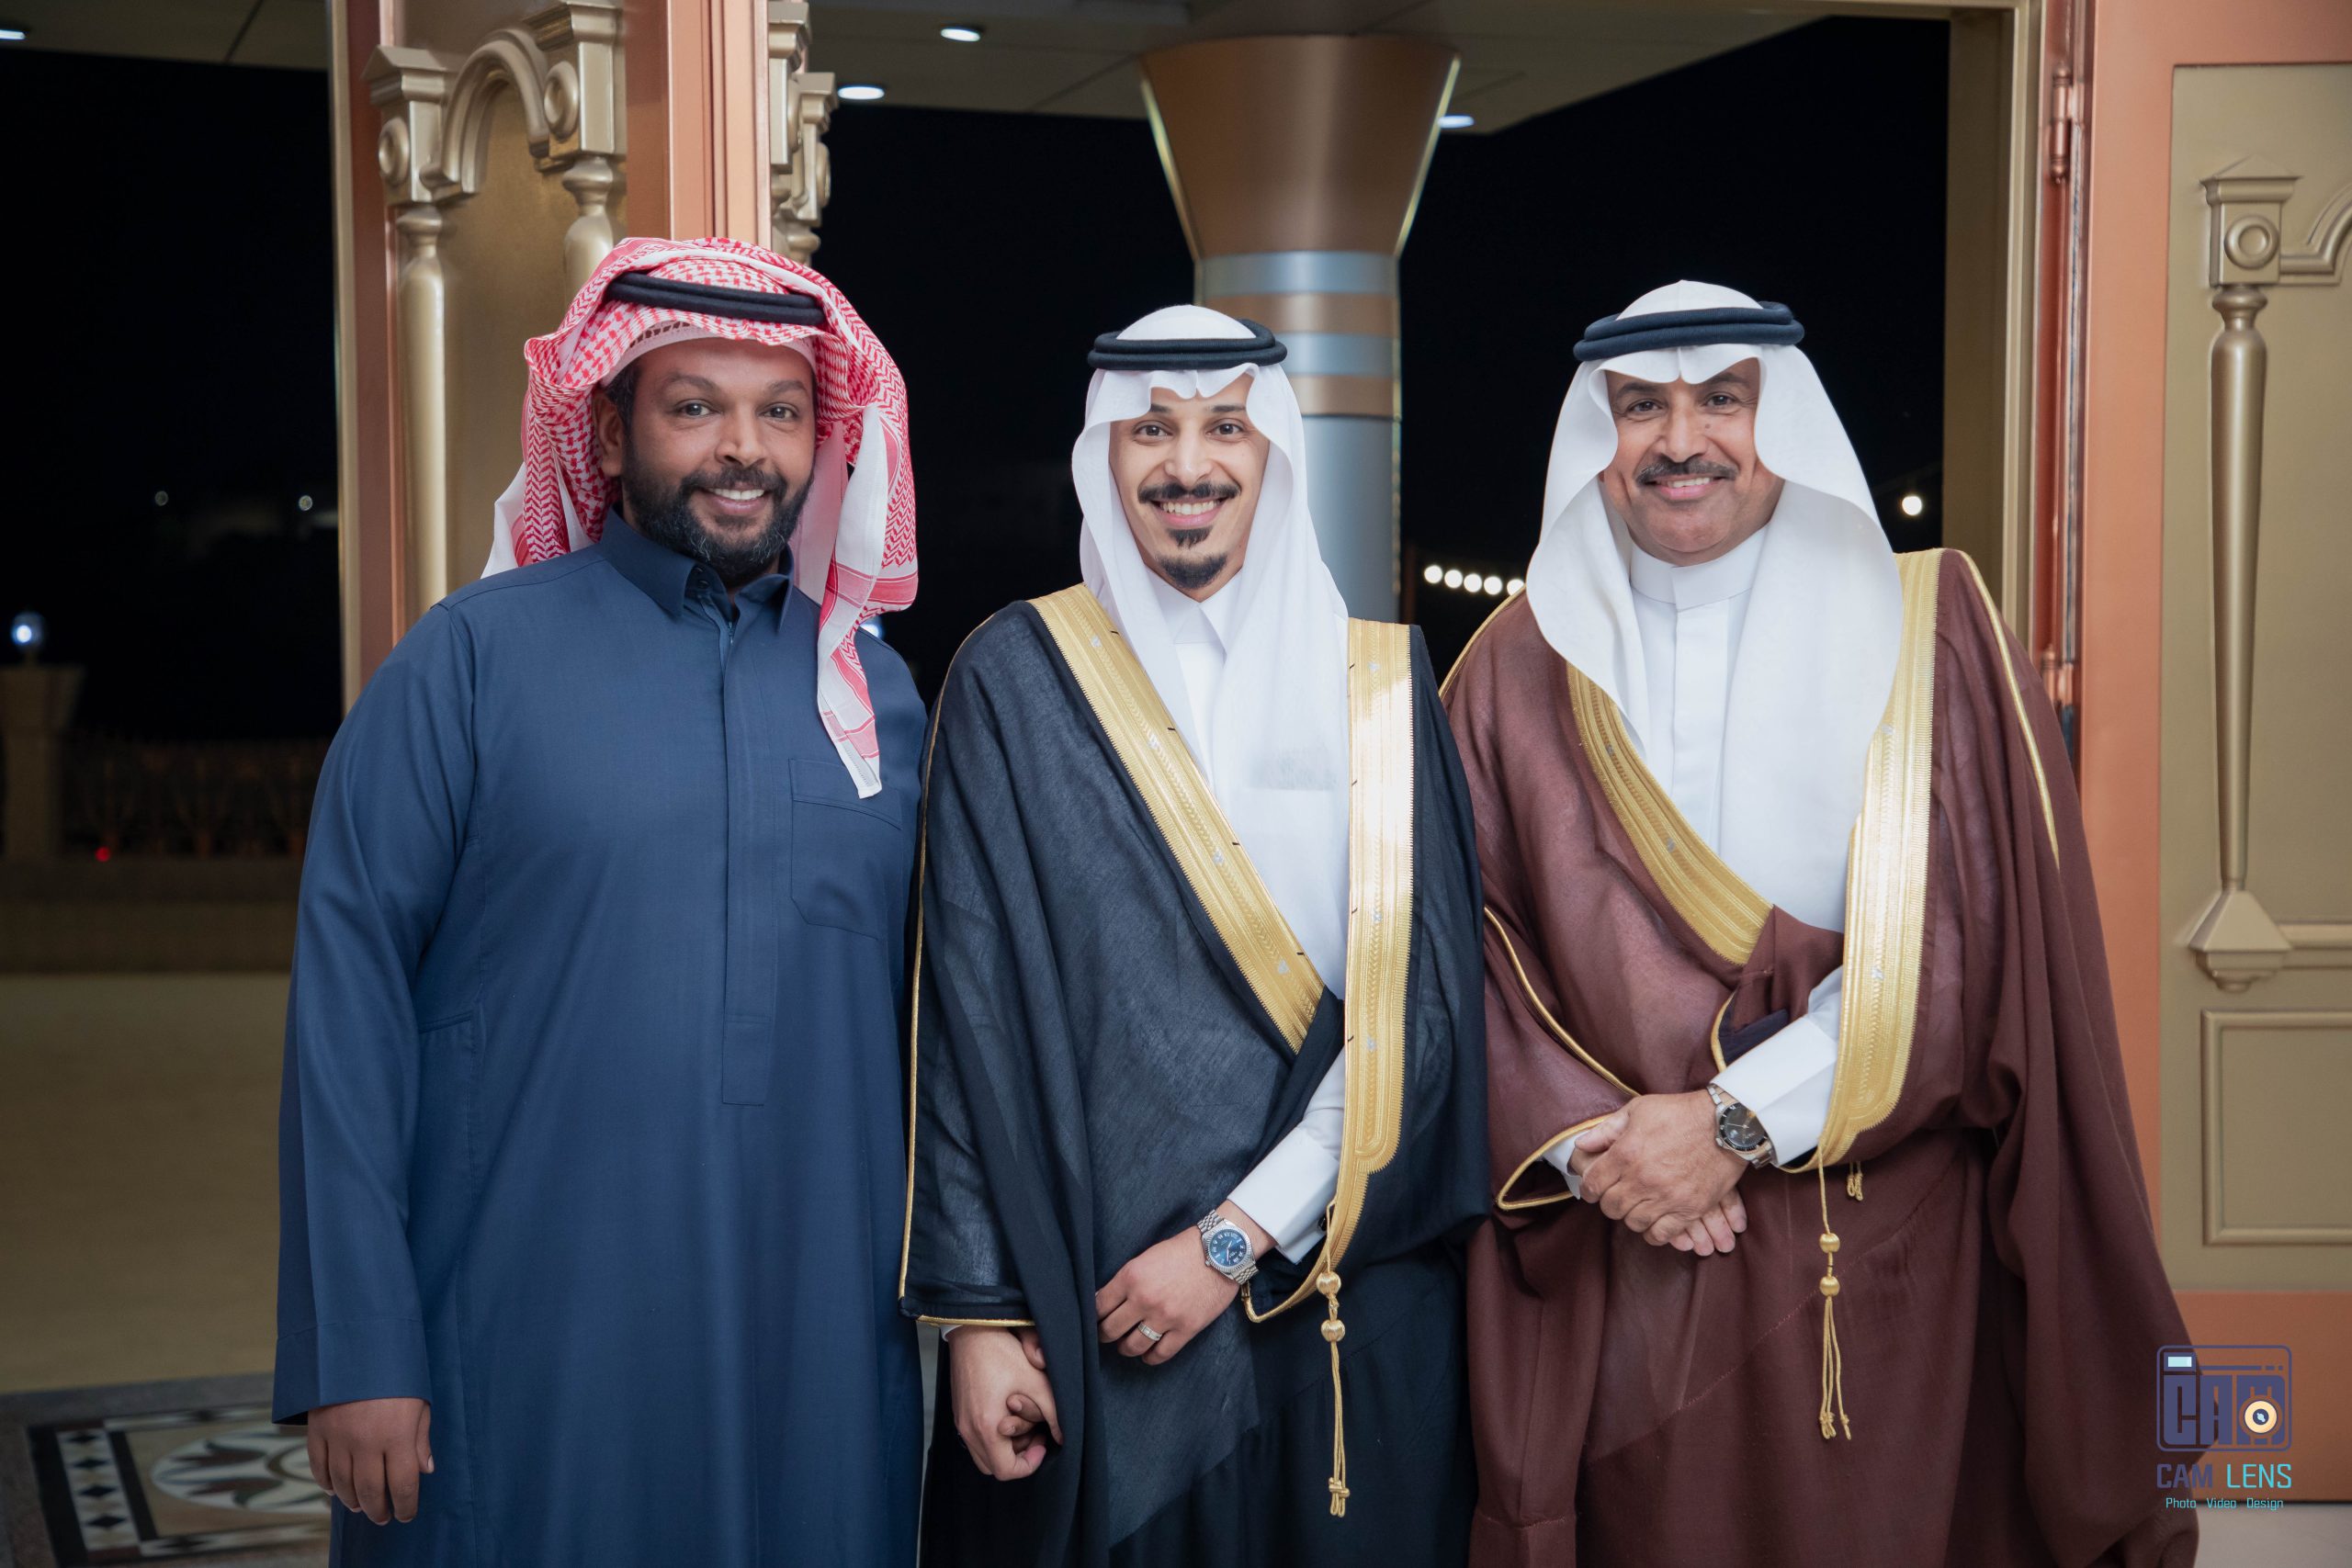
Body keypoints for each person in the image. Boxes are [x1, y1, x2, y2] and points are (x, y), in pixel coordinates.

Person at [1447, 282, 2196, 1565]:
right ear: (1597, 433)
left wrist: (1733, 1122)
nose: (1683, 439)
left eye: (1721, 399)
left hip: (1887, 1252)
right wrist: (1607, 1159)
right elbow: (1471, 970)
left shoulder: (1930, 627)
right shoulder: (1512, 665)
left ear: (1779, 416)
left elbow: (1968, 949)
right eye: (1642, 407)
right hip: (1629, 1251)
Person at [273, 238, 925, 1566]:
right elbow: (348, 1010)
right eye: (695, 406)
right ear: (612, 434)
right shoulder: (469, 662)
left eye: (781, 411)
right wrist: (357, 1347)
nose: (743, 449)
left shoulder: (877, 700)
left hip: (816, 1345)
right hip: (528, 1333)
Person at [898, 307, 1487, 1566]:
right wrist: (978, 1320)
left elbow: (1426, 1021)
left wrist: (1235, 1238)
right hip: (1091, 1310)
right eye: (1149, 430)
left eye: (1226, 427)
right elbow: (963, 1020)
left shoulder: (1382, 688)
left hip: (1341, 1291)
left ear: (1274, 455)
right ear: (1102, 456)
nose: (1187, 465)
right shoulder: (1014, 679)